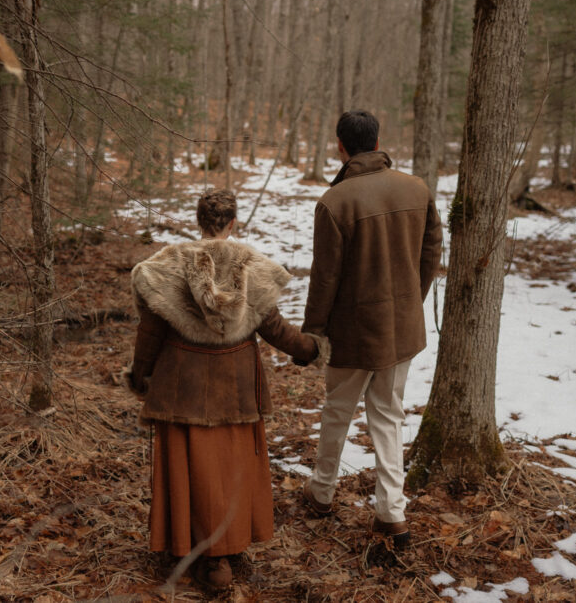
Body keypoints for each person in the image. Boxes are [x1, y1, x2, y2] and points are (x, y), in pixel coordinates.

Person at [126, 189, 328, 590]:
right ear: (234, 222)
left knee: (189, 465)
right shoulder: (252, 266)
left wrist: (139, 375)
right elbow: (274, 329)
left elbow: (150, 332)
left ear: (198, 220)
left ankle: (190, 549)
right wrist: (312, 349)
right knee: (231, 466)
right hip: (234, 387)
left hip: (181, 385)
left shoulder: (166, 266)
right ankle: (224, 554)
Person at [299, 110, 443, 550]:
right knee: (388, 415)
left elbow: (325, 278)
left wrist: (313, 333)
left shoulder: (335, 201)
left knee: (338, 409)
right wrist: (409, 303)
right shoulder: (416, 188)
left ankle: (322, 493)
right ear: (377, 141)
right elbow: (432, 249)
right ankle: (392, 513)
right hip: (400, 328)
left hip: (353, 331)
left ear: (341, 146)